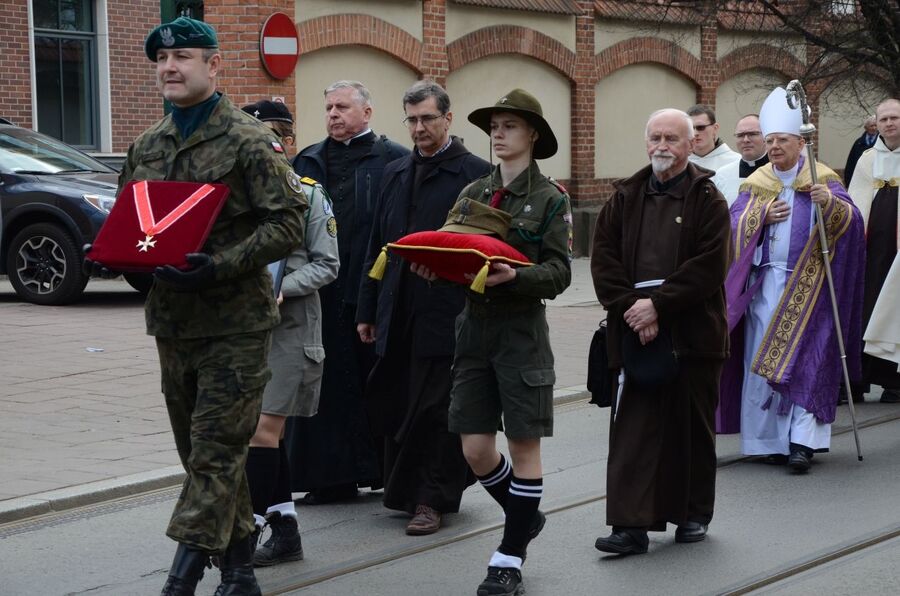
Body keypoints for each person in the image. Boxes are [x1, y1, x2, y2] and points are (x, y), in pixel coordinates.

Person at [84, 17, 309, 596]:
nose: (169, 67)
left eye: (183, 55)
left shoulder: (248, 139)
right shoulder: (148, 144)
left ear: (214, 65)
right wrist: (110, 257)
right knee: (203, 456)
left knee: (215, 453)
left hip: (236, 323)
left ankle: (179, 581)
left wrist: (224, 263)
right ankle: (238, 571)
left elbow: (287, 222)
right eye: (161, 58)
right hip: (173, 324)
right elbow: (133, 226)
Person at [414, 88, 571, 596]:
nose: (498, 134)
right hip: (474, 331)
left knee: (523, 445)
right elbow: (453, 249)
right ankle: (524, 517)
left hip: (521, 333)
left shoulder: (551, 198)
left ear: (532, 136)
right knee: (475, 449)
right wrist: (433, 269)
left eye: (508, 126)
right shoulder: (474, 193)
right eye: (494, 127)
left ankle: (509, 557)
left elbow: (559, 274)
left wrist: (515, 277)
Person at [591, 109, 730, 556]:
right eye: (655, 137)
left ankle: (692, 513)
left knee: (691, 428)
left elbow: (711, 265)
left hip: (692, 333)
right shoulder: (625, 197)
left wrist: (659, 307)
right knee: (634, 433)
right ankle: (631, 527)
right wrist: (634, 308)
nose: (662, 145)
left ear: (691, 144)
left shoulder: (708, 197)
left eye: (672, 137)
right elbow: (604, 261)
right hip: (634, 331)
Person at [356, 81, 488, 535]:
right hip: (398, 307)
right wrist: (367, 310)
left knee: (437, 409)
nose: (419, 128)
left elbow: (484, 252)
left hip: (448, 310)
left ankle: (433, 498)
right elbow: (377, 247)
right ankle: (403, 492)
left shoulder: (475, 175)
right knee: (398, 398)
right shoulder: (395, 172)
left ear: (448, 119)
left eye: (428, 119)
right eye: (411, 120)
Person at [721, 86, 865, 474]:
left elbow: (853, 225)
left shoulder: (824, 178)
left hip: (813, 288)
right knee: (761, 359)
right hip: (765, 287)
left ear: (801, 143)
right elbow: (732, 226)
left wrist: (830, 205)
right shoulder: (756, 183)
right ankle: (769, 442)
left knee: (809, 361)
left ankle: (802, 442)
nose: (773, 147)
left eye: (780, 140)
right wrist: (759, 218)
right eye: (769, 141)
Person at [285, 81, 408, 503]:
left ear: (367, 113)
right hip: (319, 295)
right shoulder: (308, 161)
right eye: (329, 107)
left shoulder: (393, 161)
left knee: (375, 384)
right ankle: (329, 478)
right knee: (325, 389)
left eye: (342, 107)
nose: (333, 114)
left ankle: (383, 470)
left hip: (370, 292)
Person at [239, 100, 340, 567]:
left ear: (286, 143)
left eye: (270, 139)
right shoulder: (237, 195)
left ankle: (247, 529)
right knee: (262, 436)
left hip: (291, 328)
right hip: (244, 330)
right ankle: (286, 529)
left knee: (264, 429)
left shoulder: (309, 194)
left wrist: (283, 288)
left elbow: (327, 263)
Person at [848, 98, 900, 403]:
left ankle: (894, 380)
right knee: (867, 307)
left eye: (895, 118)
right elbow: (856, 201)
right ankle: (860, 378)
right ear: (876, 124)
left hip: (897, 252)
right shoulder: (867, 158)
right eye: (884, 119)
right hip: (872, 249)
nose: (890, 124)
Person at [711, 114, 769, 206]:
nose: (745, 140)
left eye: (752, 134)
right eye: (740, 135)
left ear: (766, 136)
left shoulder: (779, 171)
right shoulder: (722, 175)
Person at [687, 105, 740, 173]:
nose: (695, 133)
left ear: (715, 128)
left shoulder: (736, 161)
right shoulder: (678, 163)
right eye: (690, 128)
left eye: (701, 127)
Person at [843, 115, 878, 185]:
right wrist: (848, 182)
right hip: (861, 180)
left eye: (875, 125)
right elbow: (851, 163)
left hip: (876, 180)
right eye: (871, 126)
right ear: (866, 128)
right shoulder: (858, 143)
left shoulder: (883, 141)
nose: (874, 128)